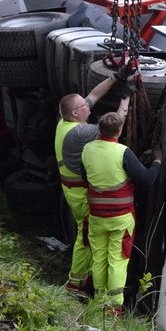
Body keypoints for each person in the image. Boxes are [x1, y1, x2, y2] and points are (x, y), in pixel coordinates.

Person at [56, 63, 136, 298]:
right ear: (75, 113)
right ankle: (76, 283)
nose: (88, 107)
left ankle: (90, 278)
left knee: (92, 238)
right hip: (80, 193)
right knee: (85, 238)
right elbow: (114, 126)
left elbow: (93, 95)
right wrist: (126, 100)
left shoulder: (63, 121)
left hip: (70, 186)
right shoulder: (81, 133)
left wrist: (116, 77)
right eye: (84, 107)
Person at [81, 108, 161, 315]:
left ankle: (99, 301)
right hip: (121, 217)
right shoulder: (122, 152)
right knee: (117, 259)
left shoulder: (87, 150)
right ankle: (114, 307)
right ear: (119, 131)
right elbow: (146, 179)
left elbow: (84, 177)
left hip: (96, 215)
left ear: (99, 128)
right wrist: (158, 162)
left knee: (98, 257)